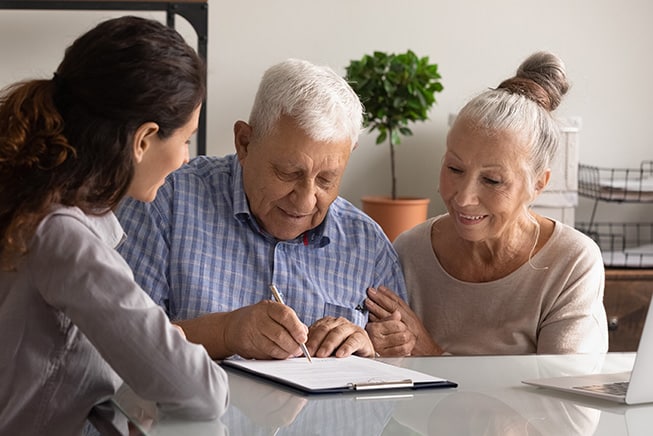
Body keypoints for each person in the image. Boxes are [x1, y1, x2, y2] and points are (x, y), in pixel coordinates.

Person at [0, 16, 229, 435]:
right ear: (143, 140)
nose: (185, 158)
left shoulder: (33, 201)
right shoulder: (64, 237)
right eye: (185, 139)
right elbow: (201, 390)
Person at [115, 58, 409, 360]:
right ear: (244, 143)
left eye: (326, 179)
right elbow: (115, 343)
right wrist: (225, 332)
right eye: (288, 173)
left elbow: (404, 385)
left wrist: (372, 352)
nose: (306, 200)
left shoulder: (369, 247)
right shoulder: (165, 202)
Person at [364, 51, 609, 356]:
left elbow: (561, 396)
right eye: (454, 169)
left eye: (492, 181)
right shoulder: (409, 252)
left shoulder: (571, 261)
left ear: (538, 185)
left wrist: (432, 355)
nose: (463, 198)